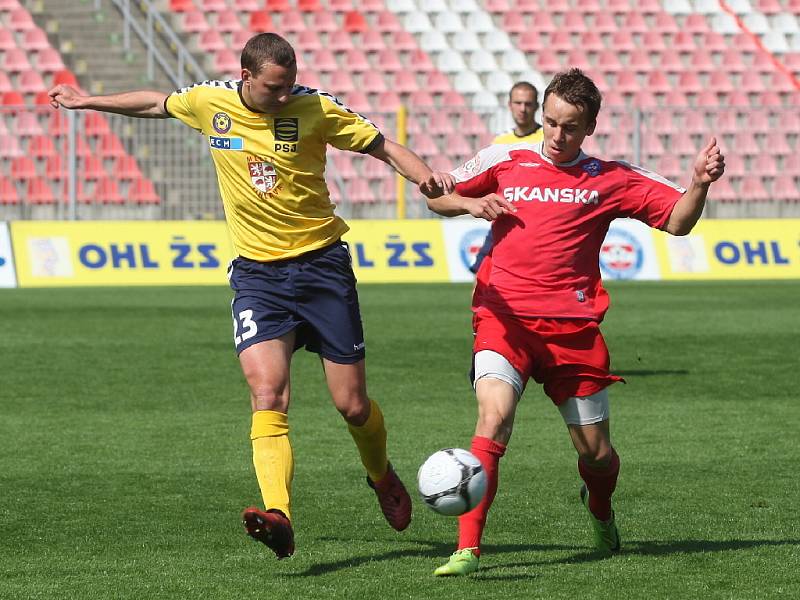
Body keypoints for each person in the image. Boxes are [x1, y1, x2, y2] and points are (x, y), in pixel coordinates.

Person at [48, 32, 454, 560]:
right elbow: (155, 101)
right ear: (246, 78)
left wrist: (428, 181)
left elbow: (384, 147)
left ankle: (380, 473)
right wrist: (87, 101)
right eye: (273, 87)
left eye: (288, 85)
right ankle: (278, 514)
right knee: (268, 395)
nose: (285, 95)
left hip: (322, 267)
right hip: (258, 277)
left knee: (352, 406)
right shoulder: (210, 101)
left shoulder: (316, 108)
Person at [426, 68, 725, 576]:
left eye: (569, 127)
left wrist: (697, 184)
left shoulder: (611, 177)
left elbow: (678, 221)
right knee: (492, 420)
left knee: (598, 454)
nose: (557, 136)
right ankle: (468, 549)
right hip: (504, 320)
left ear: (589, 127)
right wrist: (468, 202)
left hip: (573, 332)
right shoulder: (505, 159)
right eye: (550, 123)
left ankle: (600, 506)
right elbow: (437, 195)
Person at [470, 81, 542, 276]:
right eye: (518, 103)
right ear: (510, 105)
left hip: (538, 223)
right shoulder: (500, 142)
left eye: (528, 104)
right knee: (481, 279)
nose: (523, 109)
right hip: (504, 221)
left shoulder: (548, 138)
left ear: (536, 106)